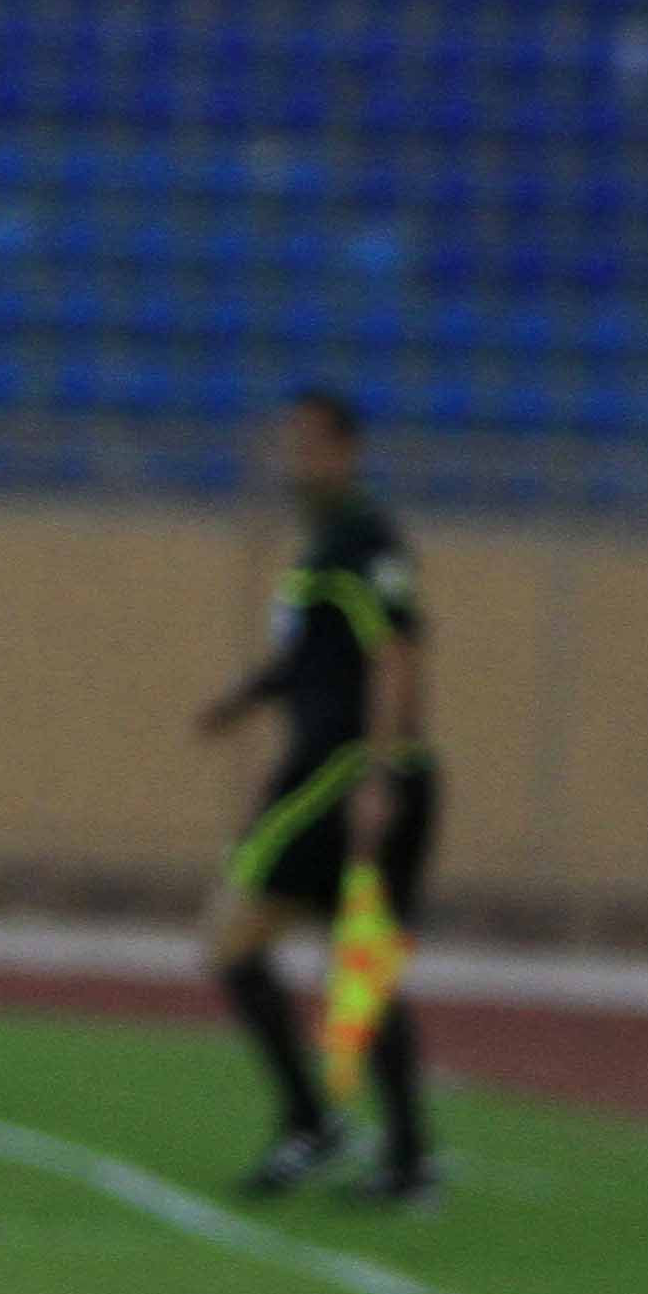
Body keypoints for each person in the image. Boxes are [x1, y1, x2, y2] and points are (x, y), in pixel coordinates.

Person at [194, 386, 440, 1204]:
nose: (293, 459)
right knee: (354, 962)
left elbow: (395, 653)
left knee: (235, 937)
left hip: (341, 771)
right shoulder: (322, 548)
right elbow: (309, 657)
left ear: (344, 450)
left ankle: (316, 1124)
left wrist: (379, 773)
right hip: (328, 765)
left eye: (308, 444)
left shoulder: (363, 540)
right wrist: (242, 698)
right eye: (287, 442)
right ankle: (401, 1155)